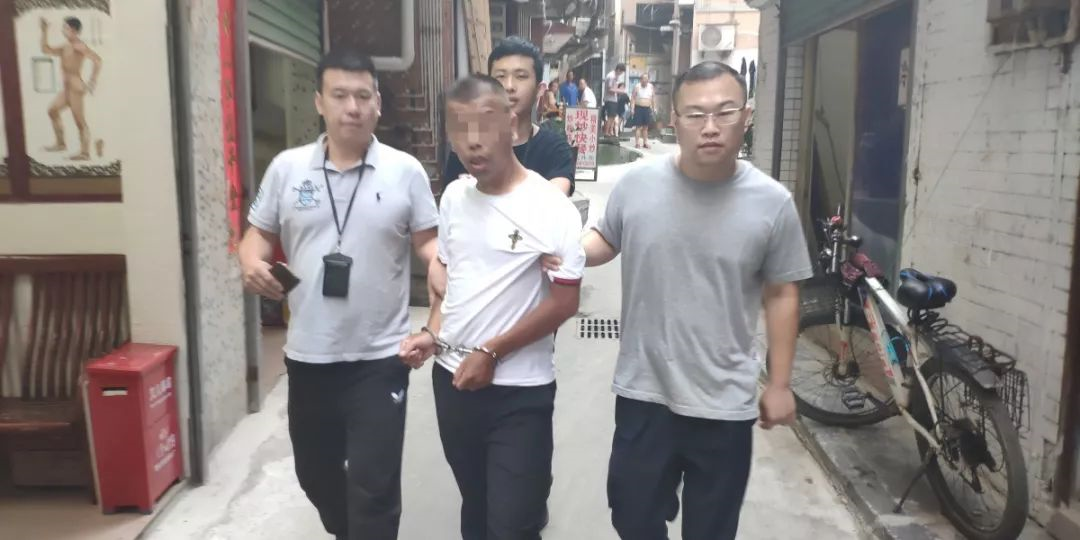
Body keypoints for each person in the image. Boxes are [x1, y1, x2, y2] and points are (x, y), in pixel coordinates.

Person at [542, 61, 813, 540]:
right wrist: (566, 253)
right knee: (631, 515)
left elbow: (781, 292)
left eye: (724, 112)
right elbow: (606, 238)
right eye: (695, 114)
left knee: (711, 530)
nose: (710, 127)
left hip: (724, 401)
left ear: (746, 116)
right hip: (645, 391)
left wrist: (780, 383)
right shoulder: (637, 185)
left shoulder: (772, 202)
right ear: (673, 117)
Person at [239, 49, 439, 540]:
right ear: (319, 102)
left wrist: (442, 271)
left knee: (374, 487)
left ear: (378, 104)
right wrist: (250, 261)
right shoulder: (287, 169)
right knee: (315, 474)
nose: (353, 107)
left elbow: (428, 243)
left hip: (380, 358)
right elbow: (257, 235)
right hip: (309, 357)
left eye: (363, 96)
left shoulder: (405, 171)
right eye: (340, 95)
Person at [399, 74, 586, 540]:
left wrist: (493, 351)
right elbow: (452, 282)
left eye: (484, 124)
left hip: (520, 391)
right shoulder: (455, 198)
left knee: (513, 523)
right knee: (477, 505)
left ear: (510, 121)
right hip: (453, 383)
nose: (473, 141)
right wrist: (432, 333)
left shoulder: (551, 207)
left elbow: (565, 302)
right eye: (459, 128)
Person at [442, 37, 575, 197]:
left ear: (539, 90)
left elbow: (553, 203)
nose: (509, 86)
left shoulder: (554, 149)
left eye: (521, 76)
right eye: (500, 76)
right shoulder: (468, 148)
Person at [40, 16, 102, 161]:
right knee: (52, 110)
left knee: (79, 121)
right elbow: (46, 50)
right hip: (67, 89)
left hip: (76, 88)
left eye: (65, 28)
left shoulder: (79, 45)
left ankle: (85, 153)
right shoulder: (65, 46)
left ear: (73, 30)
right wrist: (44, 31)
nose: (63, 30)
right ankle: (61, 144)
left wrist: (92, 81)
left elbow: (97, 60)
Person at [630, 73, 655, 149]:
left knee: (646, 127)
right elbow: (633, 98)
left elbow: (653, 98)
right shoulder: (637, 87)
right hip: (639, 108)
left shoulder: (651, 86)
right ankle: (637, 143)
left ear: (648, 80)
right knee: (638, 127)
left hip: (647, 108)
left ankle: (645, 143)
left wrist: (653, 108)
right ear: (641, 80)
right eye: (643, 79)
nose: (645, 80)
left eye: (646, 79)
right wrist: (632, 108)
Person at [603, 64, 626, 137]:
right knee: (610, 116)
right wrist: (620, 91)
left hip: (613, 99)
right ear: (618, 70)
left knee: (613, 116)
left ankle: (610, 131)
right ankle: (606, 132)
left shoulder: (615, 76)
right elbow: (609, 89)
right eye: (621, 72)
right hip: (610, 99)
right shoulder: (611, 76)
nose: (621, 74)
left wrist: (618, 90)